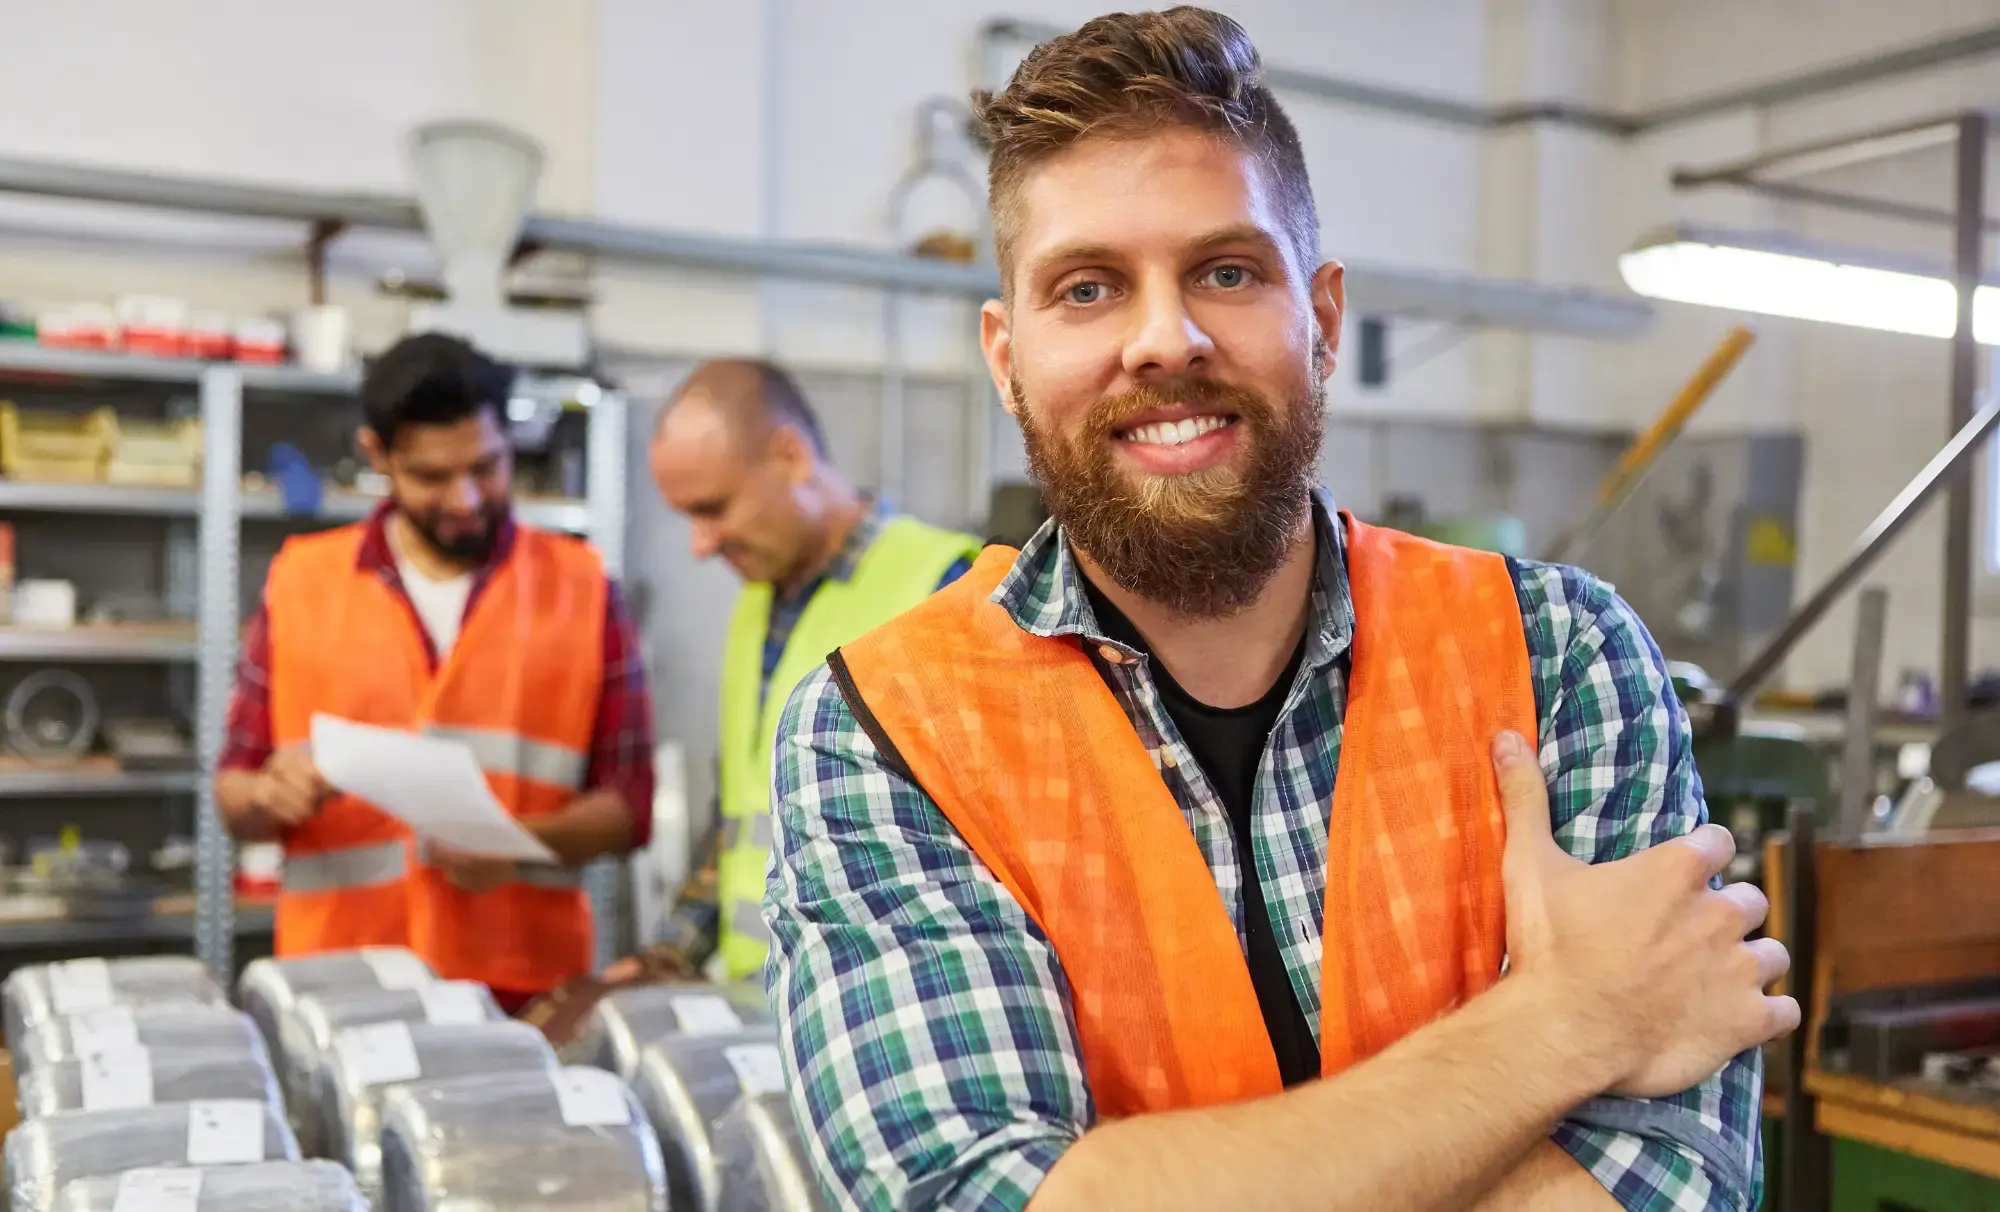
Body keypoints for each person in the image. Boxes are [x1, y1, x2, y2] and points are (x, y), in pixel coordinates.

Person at [765, 11, 1795, 1212]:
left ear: (1322, 318)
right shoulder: (883, 730)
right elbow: (975, 1197)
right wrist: (1564, 1025)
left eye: (1226, 271)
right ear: (1005, 357)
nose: (1165, 339)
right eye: (1087, 287)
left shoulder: (1558, 654)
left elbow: (1675, 1178)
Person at [215, 333, 655, 1012]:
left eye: (487, 466)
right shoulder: (301, 580)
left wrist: (519, 845)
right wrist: (269, 795)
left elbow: (629, 808)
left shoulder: (584, 586)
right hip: (340, 989)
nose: (466, 498)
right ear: (377, 455)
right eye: (432, 476)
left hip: (522, 992)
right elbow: (233, 793)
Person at [638, 359, 981, 982]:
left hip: (886, 1011)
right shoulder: (756, 605)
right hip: (760, 1004)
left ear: (790, 456)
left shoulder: (942, 591)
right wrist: (667, 956)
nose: (701, 544)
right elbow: (739, 817)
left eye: (713, 508)